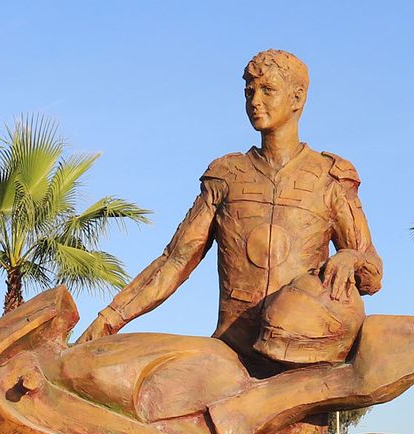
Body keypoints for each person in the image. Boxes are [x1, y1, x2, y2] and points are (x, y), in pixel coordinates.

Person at [78, 49, 383, 368]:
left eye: (268, 90)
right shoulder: (226, 175)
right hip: (230, 360)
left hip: (300, 365)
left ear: (297, 97)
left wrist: (352, 257)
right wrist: (109, 319)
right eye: (249, 92)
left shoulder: (330, 177)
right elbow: (175, 260)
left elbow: (372, 276)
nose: (255, 101)